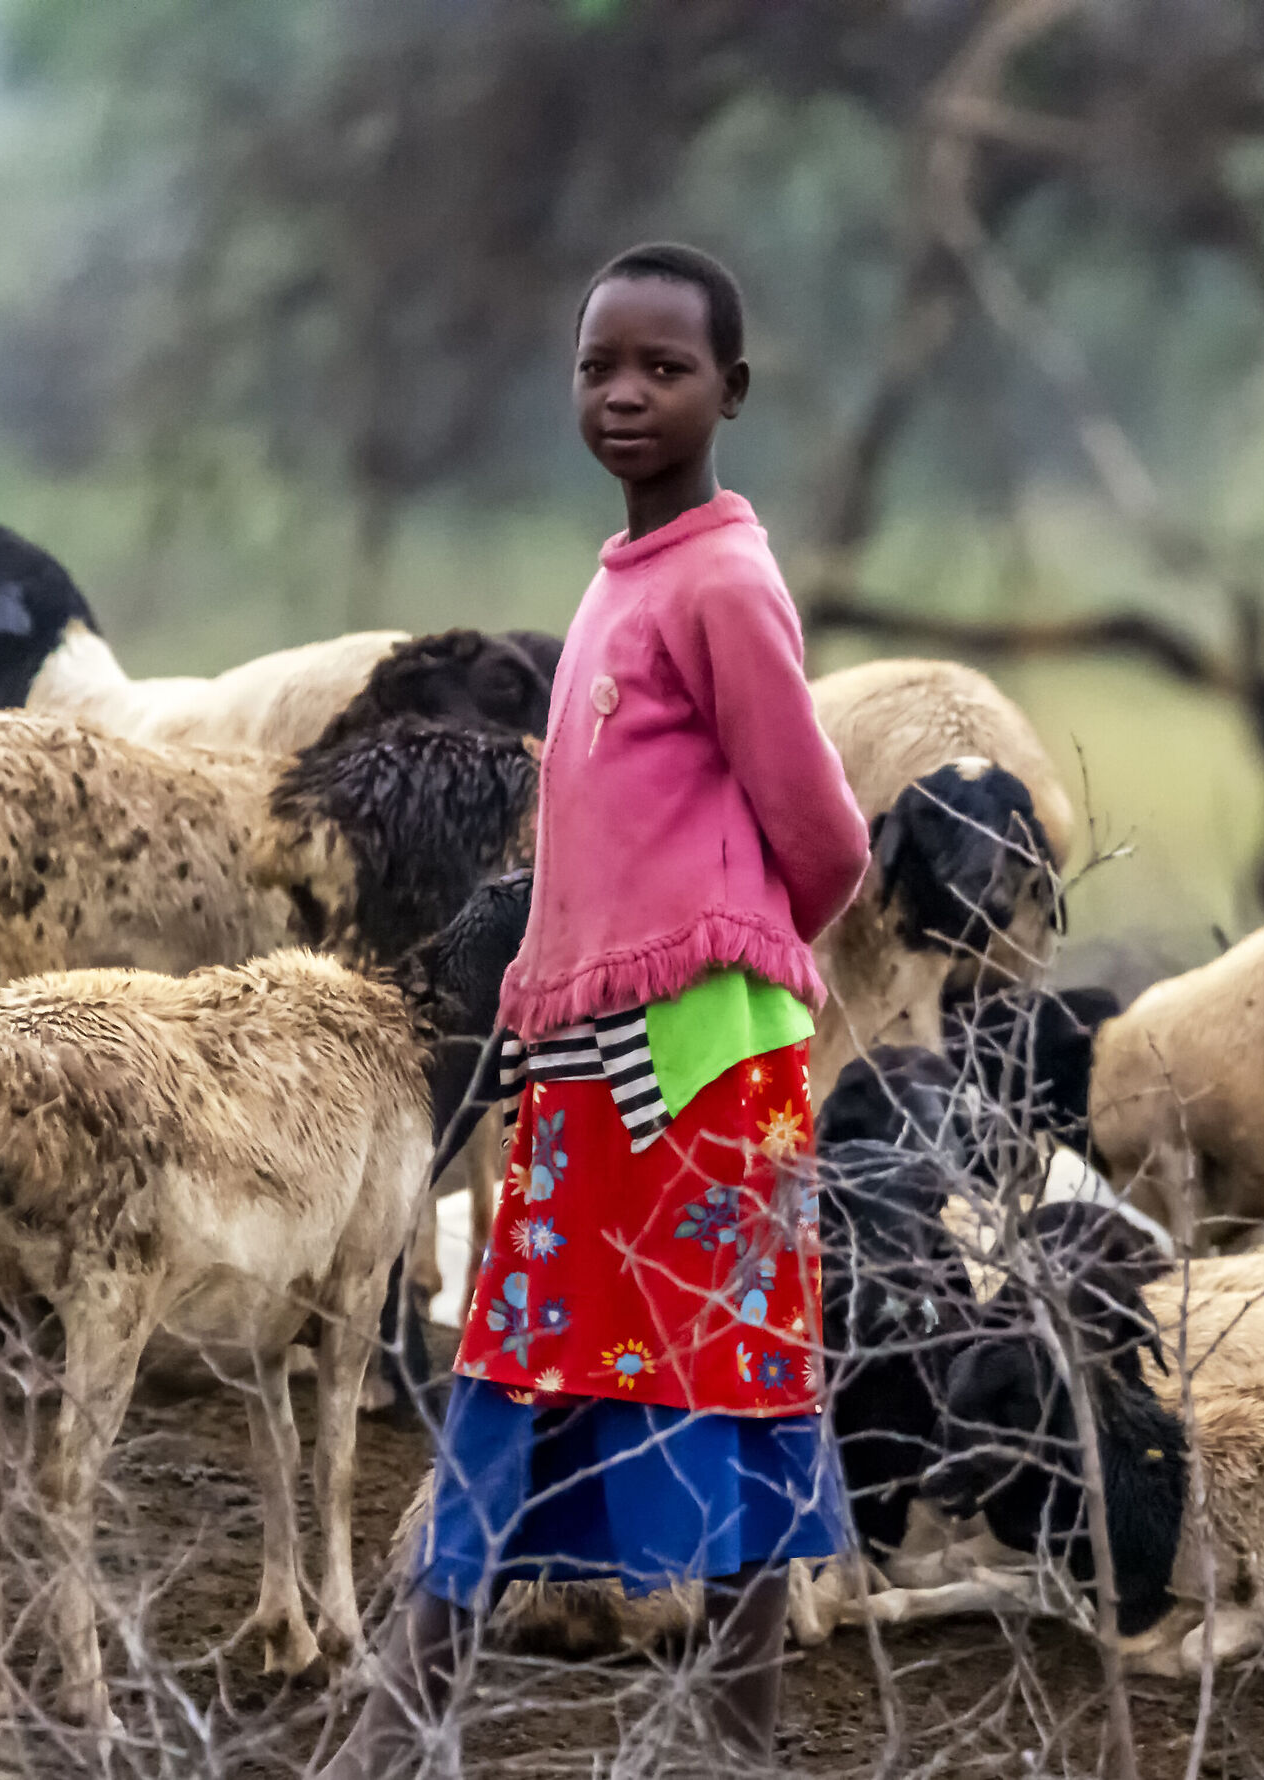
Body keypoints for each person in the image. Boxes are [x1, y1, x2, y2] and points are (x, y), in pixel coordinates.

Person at [318, 242, 871, 1776]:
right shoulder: (630, 574)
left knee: (728, 1388)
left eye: (665, 370)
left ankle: (723, 1740)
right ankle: (397, 1734)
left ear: (731, 393)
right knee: (522, 1374)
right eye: (599, 367)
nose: (625, 395)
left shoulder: (727, 586)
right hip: (591, 1069)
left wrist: (718, 989)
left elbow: (823, 840)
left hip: (694, 1078)